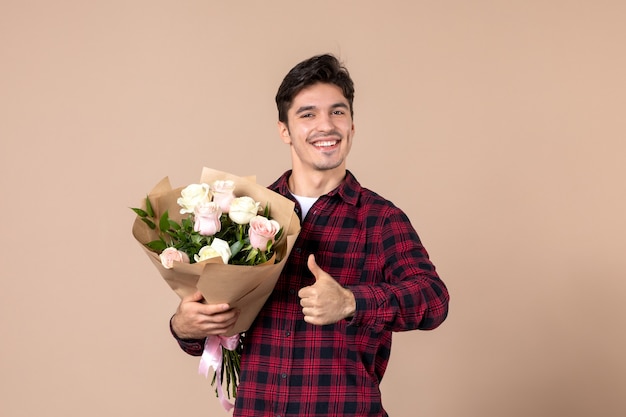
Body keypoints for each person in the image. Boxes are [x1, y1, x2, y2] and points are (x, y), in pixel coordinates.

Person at [169, 54, 450, 417]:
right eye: (308, 114)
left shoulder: (380, 219)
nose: (326, 125)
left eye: (338, 112)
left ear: (351, 124)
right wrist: (184, 326)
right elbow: (210, 322)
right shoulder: (240, 213)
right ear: (284, 130)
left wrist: (351, 302)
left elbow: (434, 300)